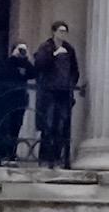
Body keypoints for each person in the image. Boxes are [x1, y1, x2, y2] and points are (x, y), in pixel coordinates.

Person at [31, 21, 80, 168]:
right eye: (60, 31)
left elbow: (75, 70)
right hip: (49, 93)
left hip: (64, 93)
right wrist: (54, 55)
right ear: (53, 32)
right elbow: (39, 65)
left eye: (65, 31)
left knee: (62, 126)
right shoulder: (46, 47)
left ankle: (59, 159)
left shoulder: (69, 49)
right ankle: (45, 160)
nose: (62, 34)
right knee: (48, 125)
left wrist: (70, 85)